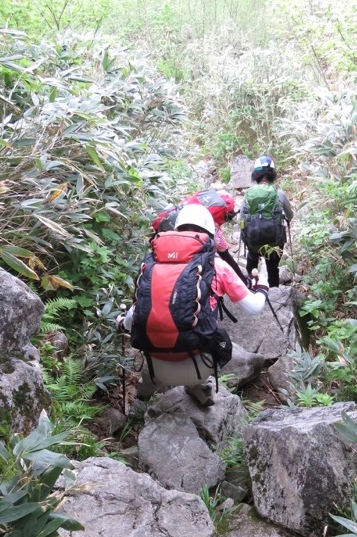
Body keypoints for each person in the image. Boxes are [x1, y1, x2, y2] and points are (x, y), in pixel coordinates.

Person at [117, 204, 268, 408]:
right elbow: (255, 307)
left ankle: (141, 398)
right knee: (215, 338)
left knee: (151, 340)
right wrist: (262, 288)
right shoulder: (218, 267)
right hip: (198, 366)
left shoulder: (151, 265)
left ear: (177, 230)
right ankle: (198, 386)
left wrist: (120, 323)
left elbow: (131, 320)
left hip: (156, 367)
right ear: (210, 233)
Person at [152, 189, 250, 286]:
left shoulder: (187, 206)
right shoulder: (211, 222)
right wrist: (243, 280)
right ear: (223, 212)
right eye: (228, 217)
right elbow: (225, 256)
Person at [239, 155, 293, 288]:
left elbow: (240, 219)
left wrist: (246, 231)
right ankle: (274, 292)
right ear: (272, 174)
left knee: (252, 262)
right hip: (274, 241)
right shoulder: (279, 193)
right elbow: (290, 216)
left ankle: (251, 287)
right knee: (273, 268)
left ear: (255, 174)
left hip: (253, 240)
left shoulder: (249, 194)